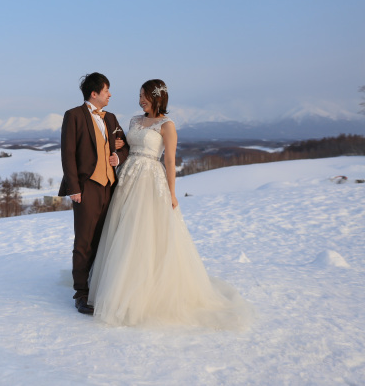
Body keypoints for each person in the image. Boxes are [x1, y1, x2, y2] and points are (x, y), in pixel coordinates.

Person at [87, 80, 252, 328]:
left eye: (144, 96)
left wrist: (172, 194)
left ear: (157, 97)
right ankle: (115, 283)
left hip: (150, 181)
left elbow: (170, 162)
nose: (141, 100)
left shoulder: (167, 125)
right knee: (122, 230)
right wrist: (120, 145)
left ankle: (144, 292)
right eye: (140, 96)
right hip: (128, 177)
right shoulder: (133, 121)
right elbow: (126, 146)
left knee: (143, 233)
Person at [59, 73, 129, 315]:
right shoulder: (74, 116)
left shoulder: (110, 118)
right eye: (106, 90)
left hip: (110, 187)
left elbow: (125, 144)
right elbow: (67, 154)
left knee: (103, 238)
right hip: (87, 186)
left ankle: (97, 284)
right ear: (94, 93)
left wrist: (118, 155)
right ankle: (81, 292)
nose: (110, 95)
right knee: (84, 242)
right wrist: (74, 188)